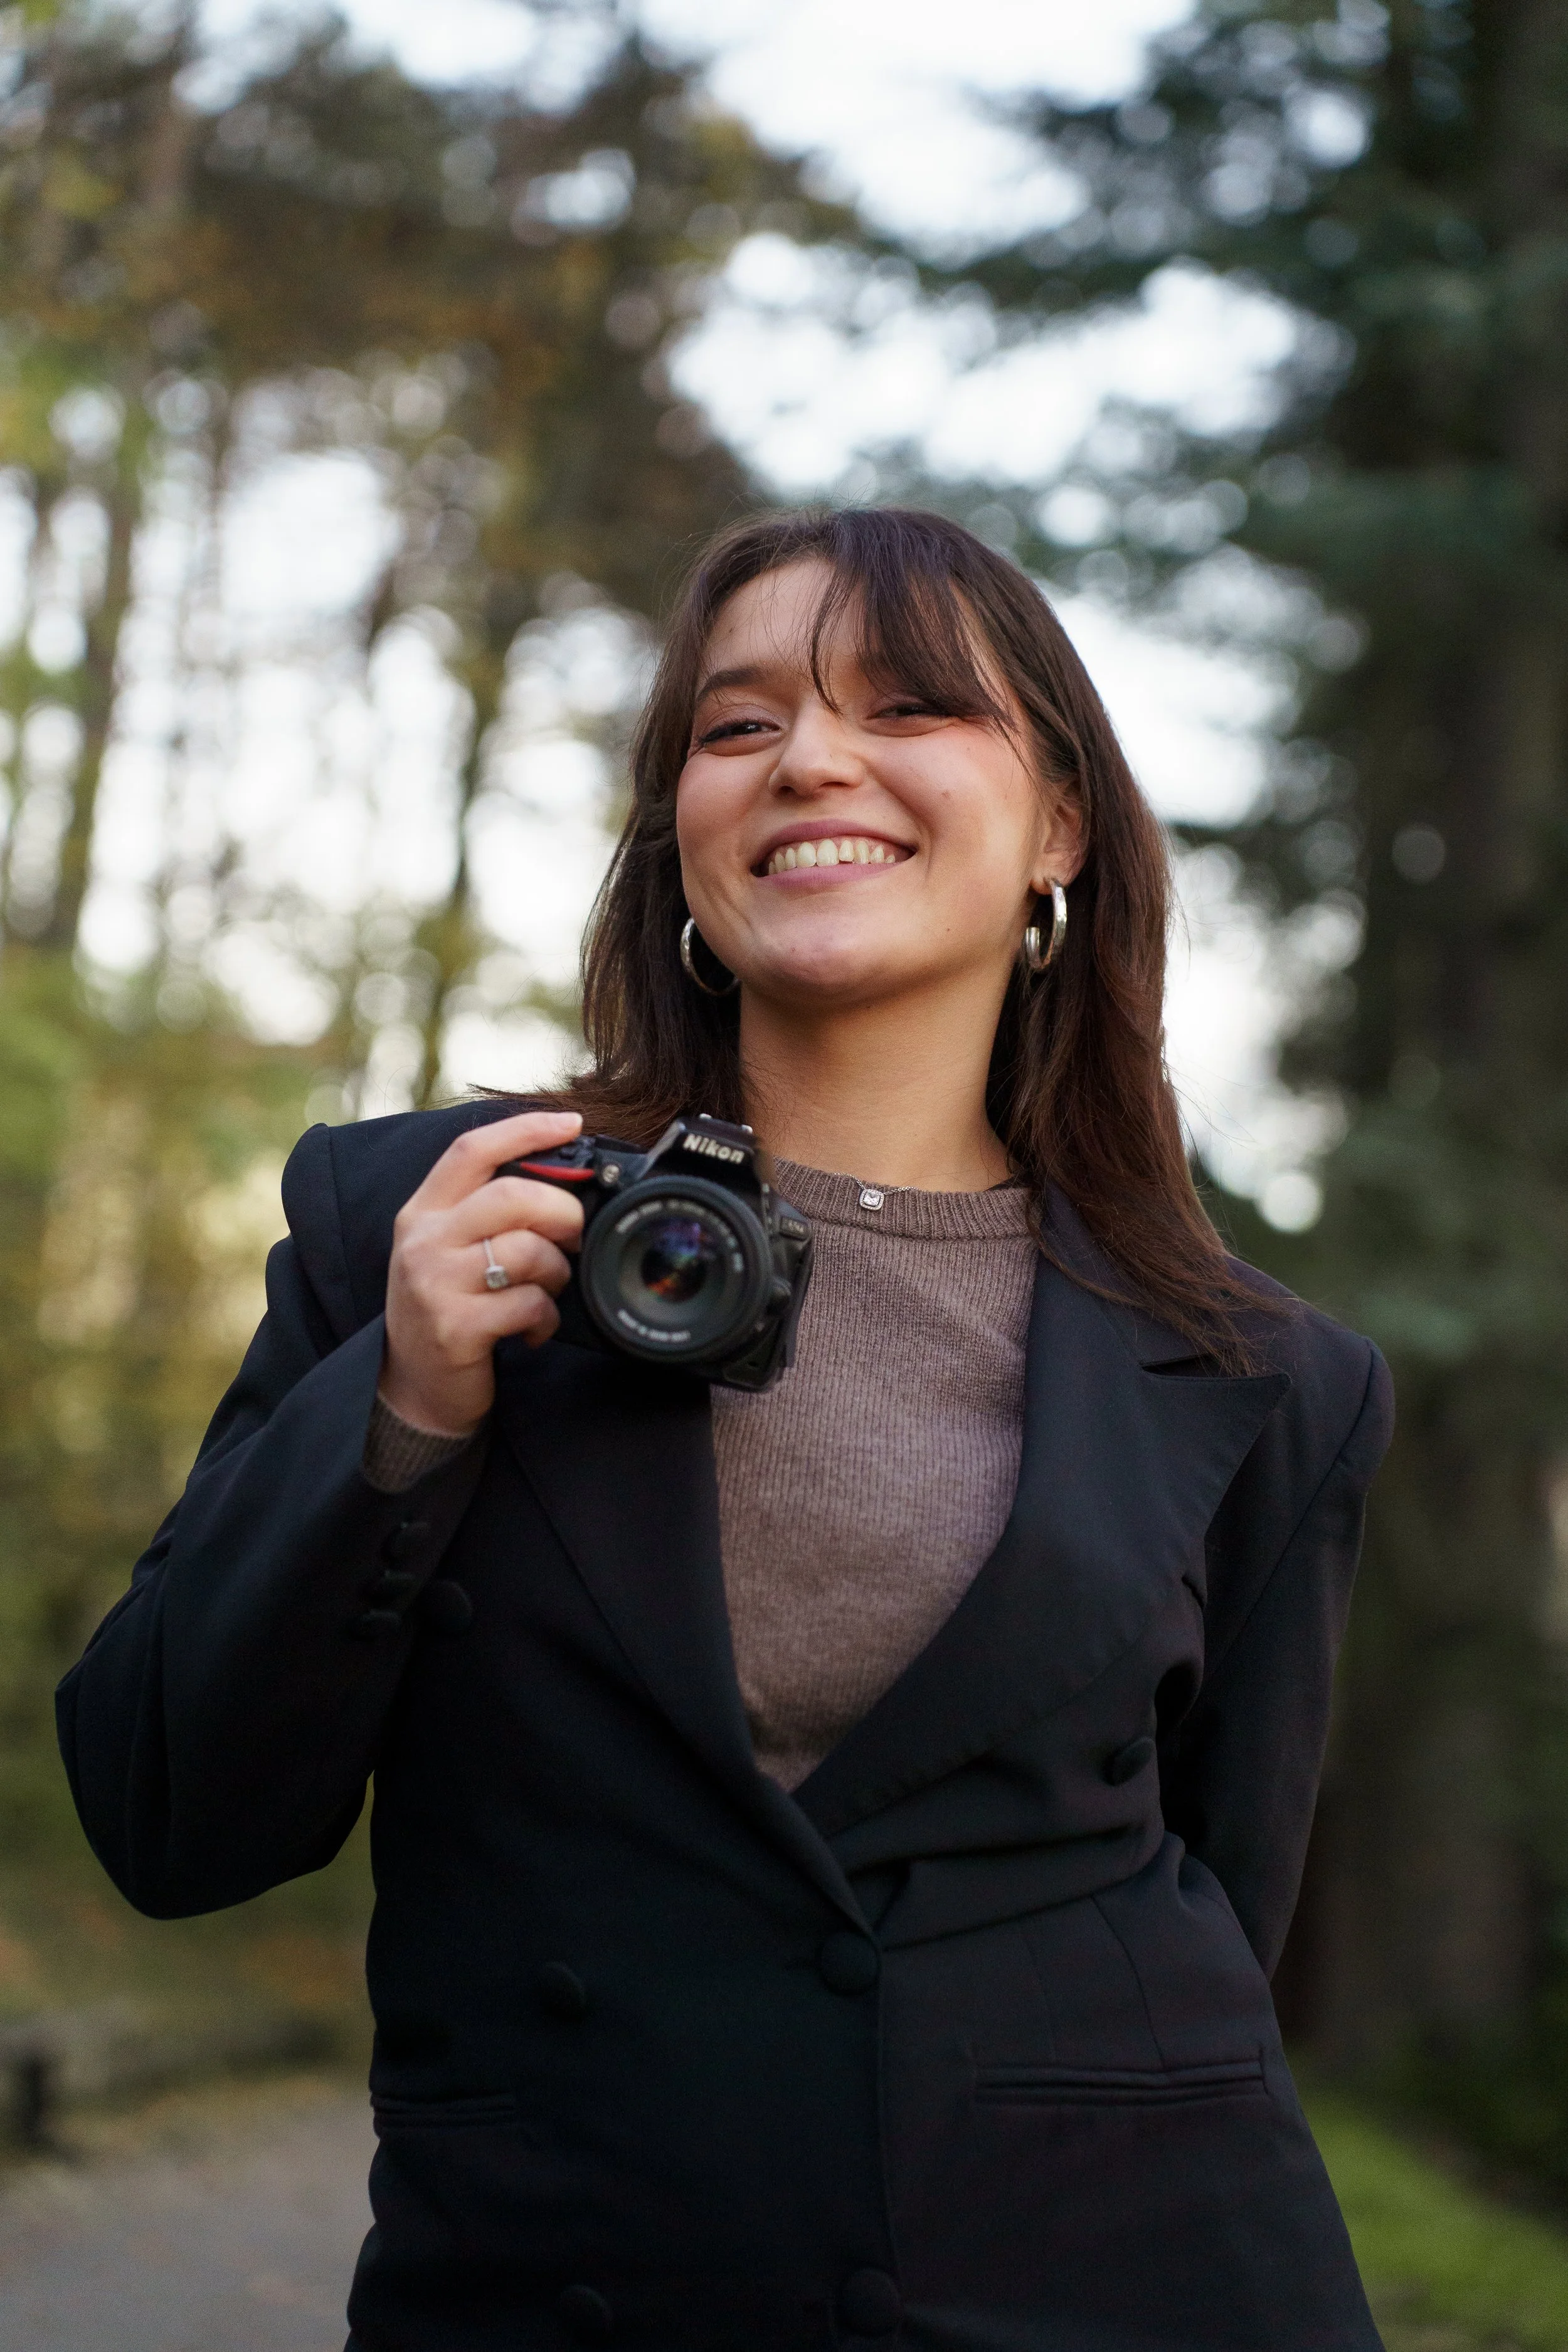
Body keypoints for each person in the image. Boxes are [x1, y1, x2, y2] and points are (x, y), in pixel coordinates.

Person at [58, 507, 1392, 2352]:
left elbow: (1220, 1911)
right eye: (738, 722)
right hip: (565, 2286)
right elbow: (164, 1810)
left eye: (910, 705)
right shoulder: (424, 1219)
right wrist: (404, 1411)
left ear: (1060, 829)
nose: (812, 758)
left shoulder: (1258, 1375)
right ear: (678, 830)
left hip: (1130, 2280)